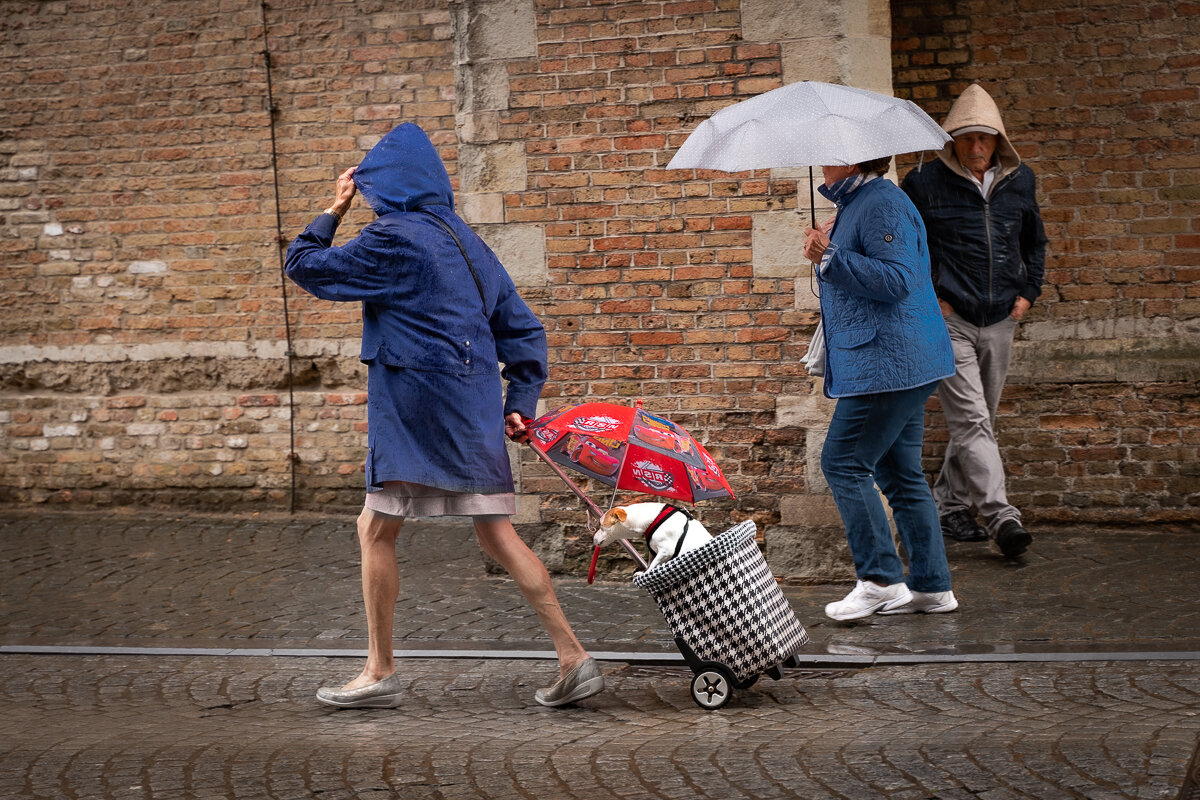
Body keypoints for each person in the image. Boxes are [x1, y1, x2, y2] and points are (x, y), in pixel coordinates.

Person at [285, 123, 604, 709]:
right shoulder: (471, 244)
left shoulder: (394, 239)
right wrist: (518, 406)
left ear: (381, 188)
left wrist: (333, 208)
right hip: (476, 408)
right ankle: (573, 656)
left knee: (375, 527)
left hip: (415, 409)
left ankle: (379, 670)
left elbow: (305, 266)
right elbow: (526, 332)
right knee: (496, 532)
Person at [802, 157, 958, 622]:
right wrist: (830, 246)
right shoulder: (858, 203)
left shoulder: (881, 202)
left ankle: (881, 581)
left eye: (830, 151)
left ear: (855, 157)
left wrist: (829, 257)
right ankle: (932, 587)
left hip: (888, 361)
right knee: (900, 473)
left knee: (843, 463)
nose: (821, 159)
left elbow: (898, 280)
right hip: (898, 360)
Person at [901, 84, 1047, 558]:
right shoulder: (923, 183)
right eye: (966, 138)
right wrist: (932, 298)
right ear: (951, 141)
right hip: (952, 318)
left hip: (1002, 315)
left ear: (999, 141)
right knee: (971, 419)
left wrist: (1028, 294)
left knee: (980, 418)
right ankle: (1002, 516)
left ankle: (948, 503)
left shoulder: (1019, 180)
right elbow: (908, 246)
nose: (976, 147)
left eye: (984, 138)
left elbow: (1034, 242)